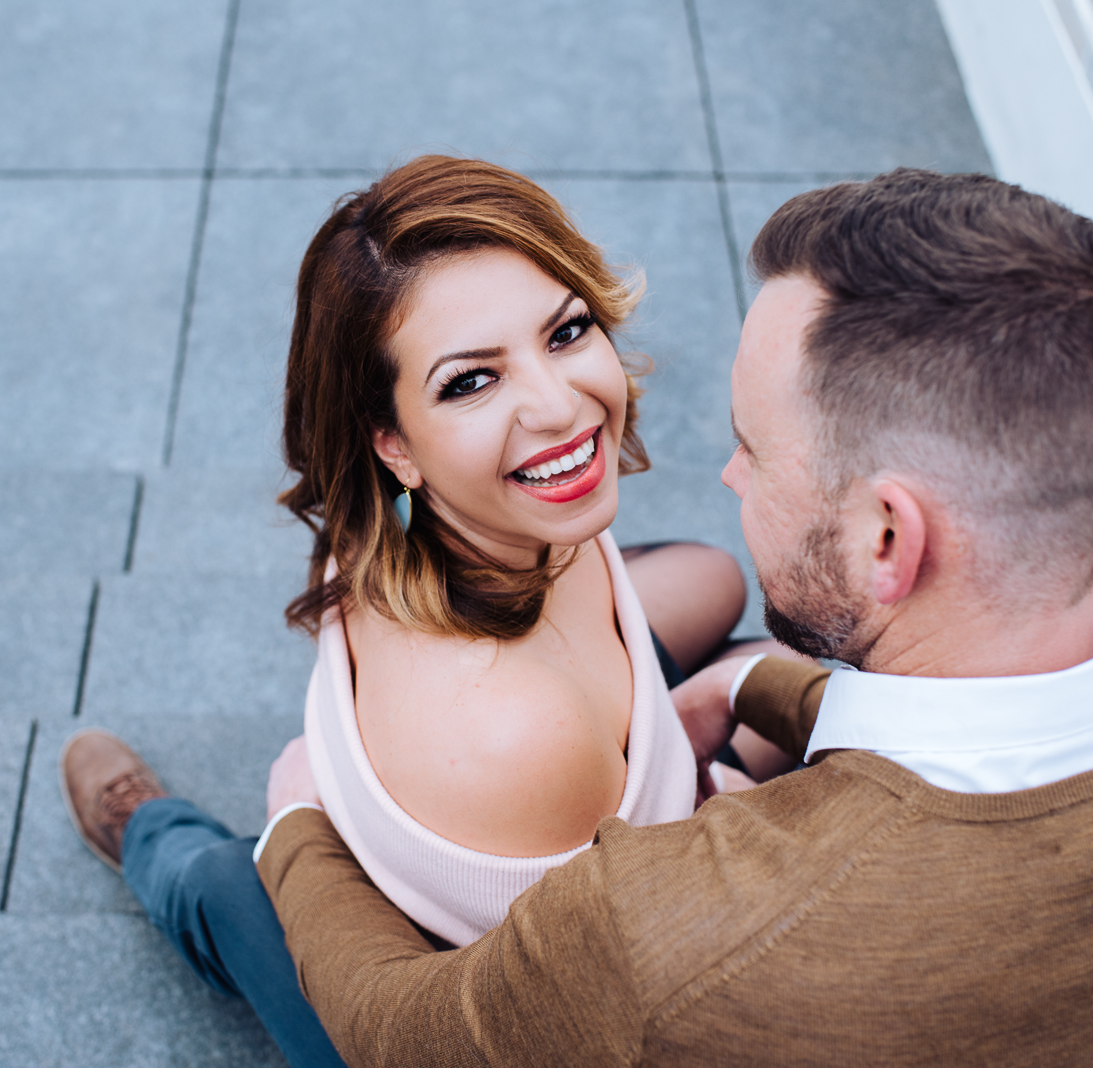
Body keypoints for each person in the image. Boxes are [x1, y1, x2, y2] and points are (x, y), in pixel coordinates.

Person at [254, 169, 1093, 1067]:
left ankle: (160, 846)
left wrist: (299, 827)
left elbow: (400, 1030)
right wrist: (753, 683)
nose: (728, 472)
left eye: (758, 451)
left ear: (889, 539)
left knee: (218, 887)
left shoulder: (678, 937)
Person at [59, 156, 769, 1065]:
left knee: (716, 585)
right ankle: (150, 837)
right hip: (444, 1008)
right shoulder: (522, 738)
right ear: (392, 442)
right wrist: (741, 820)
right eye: (471, 381)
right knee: (221, 883)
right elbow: (615, 1016)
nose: (560, 408)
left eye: (566, 331)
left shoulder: (404, 517)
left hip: (502, 792)